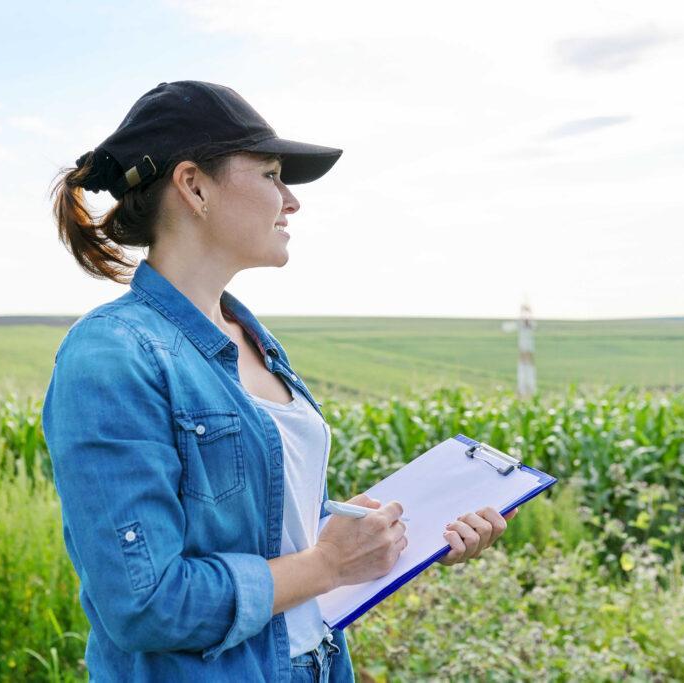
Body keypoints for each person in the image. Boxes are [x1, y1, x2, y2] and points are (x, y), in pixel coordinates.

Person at [42, 80, 518, 682]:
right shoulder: (112, 355)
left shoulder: (253, 339)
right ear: (193, 186)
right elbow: (145, 603)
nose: (291, 201)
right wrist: (327, 564)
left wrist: (392, 535)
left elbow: (269, 531)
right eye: (270, 174)